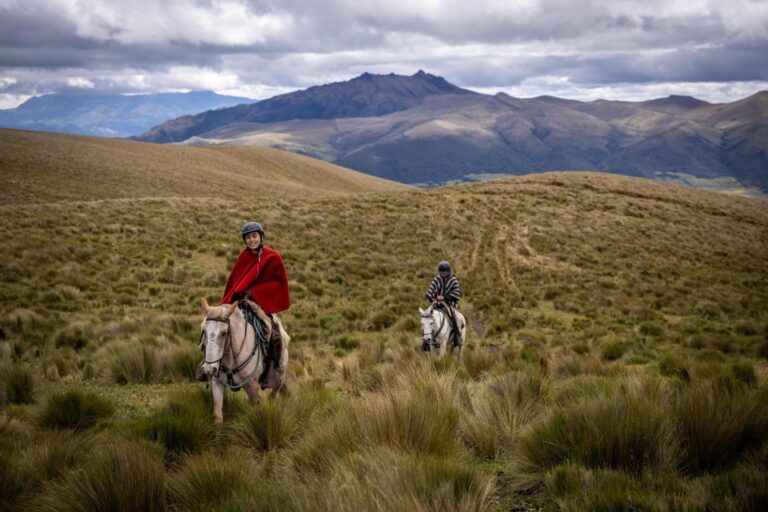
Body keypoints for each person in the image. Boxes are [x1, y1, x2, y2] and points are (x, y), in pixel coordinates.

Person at [197, 222, 290, 385]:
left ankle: (273, 370)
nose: (252, 240)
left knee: (275, 333)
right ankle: (207, 364)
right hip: (238, 303)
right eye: (248, 237)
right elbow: (235, 283)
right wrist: (235, 297)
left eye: (254, 236)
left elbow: (278, 283)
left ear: (261, 237)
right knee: (213, 328)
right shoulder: (244, 257)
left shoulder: (273, 257)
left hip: (262, 304)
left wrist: (255, 292)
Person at [425, 260, 462, 347]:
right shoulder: (437, 279)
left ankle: (458, 338)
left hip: (449, 305)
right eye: (441, 272)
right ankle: (426, 341)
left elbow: (456, 295)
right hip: (436, 304)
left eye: (444, 272)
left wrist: (444, 297)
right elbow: (429, 292)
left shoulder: (453, 280)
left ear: (448, 271)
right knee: (426, 317)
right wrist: (432, 299)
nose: (442, 274)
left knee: (454, 317)